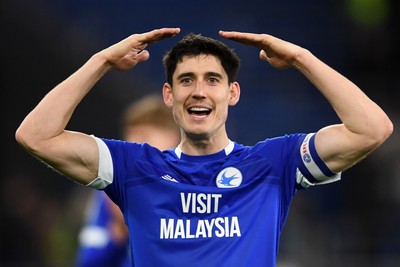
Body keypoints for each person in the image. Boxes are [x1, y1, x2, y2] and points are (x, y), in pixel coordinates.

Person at [15, 28, 393, 266]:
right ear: (169, 94)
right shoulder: (133, 167)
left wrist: (301, 59)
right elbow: (36, 136)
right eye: (186, 80)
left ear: (232, 93)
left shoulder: (272, 163)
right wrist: (99, 63)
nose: (199, 90)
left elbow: (371, 129)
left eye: (213, 80)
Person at [75, 94, 179, 267]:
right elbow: (88, 262)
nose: (133, 148)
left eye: (144, 138)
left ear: (174, 139)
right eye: (129, 140)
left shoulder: (199, 189)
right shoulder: (111, 193)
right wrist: (119, 230)